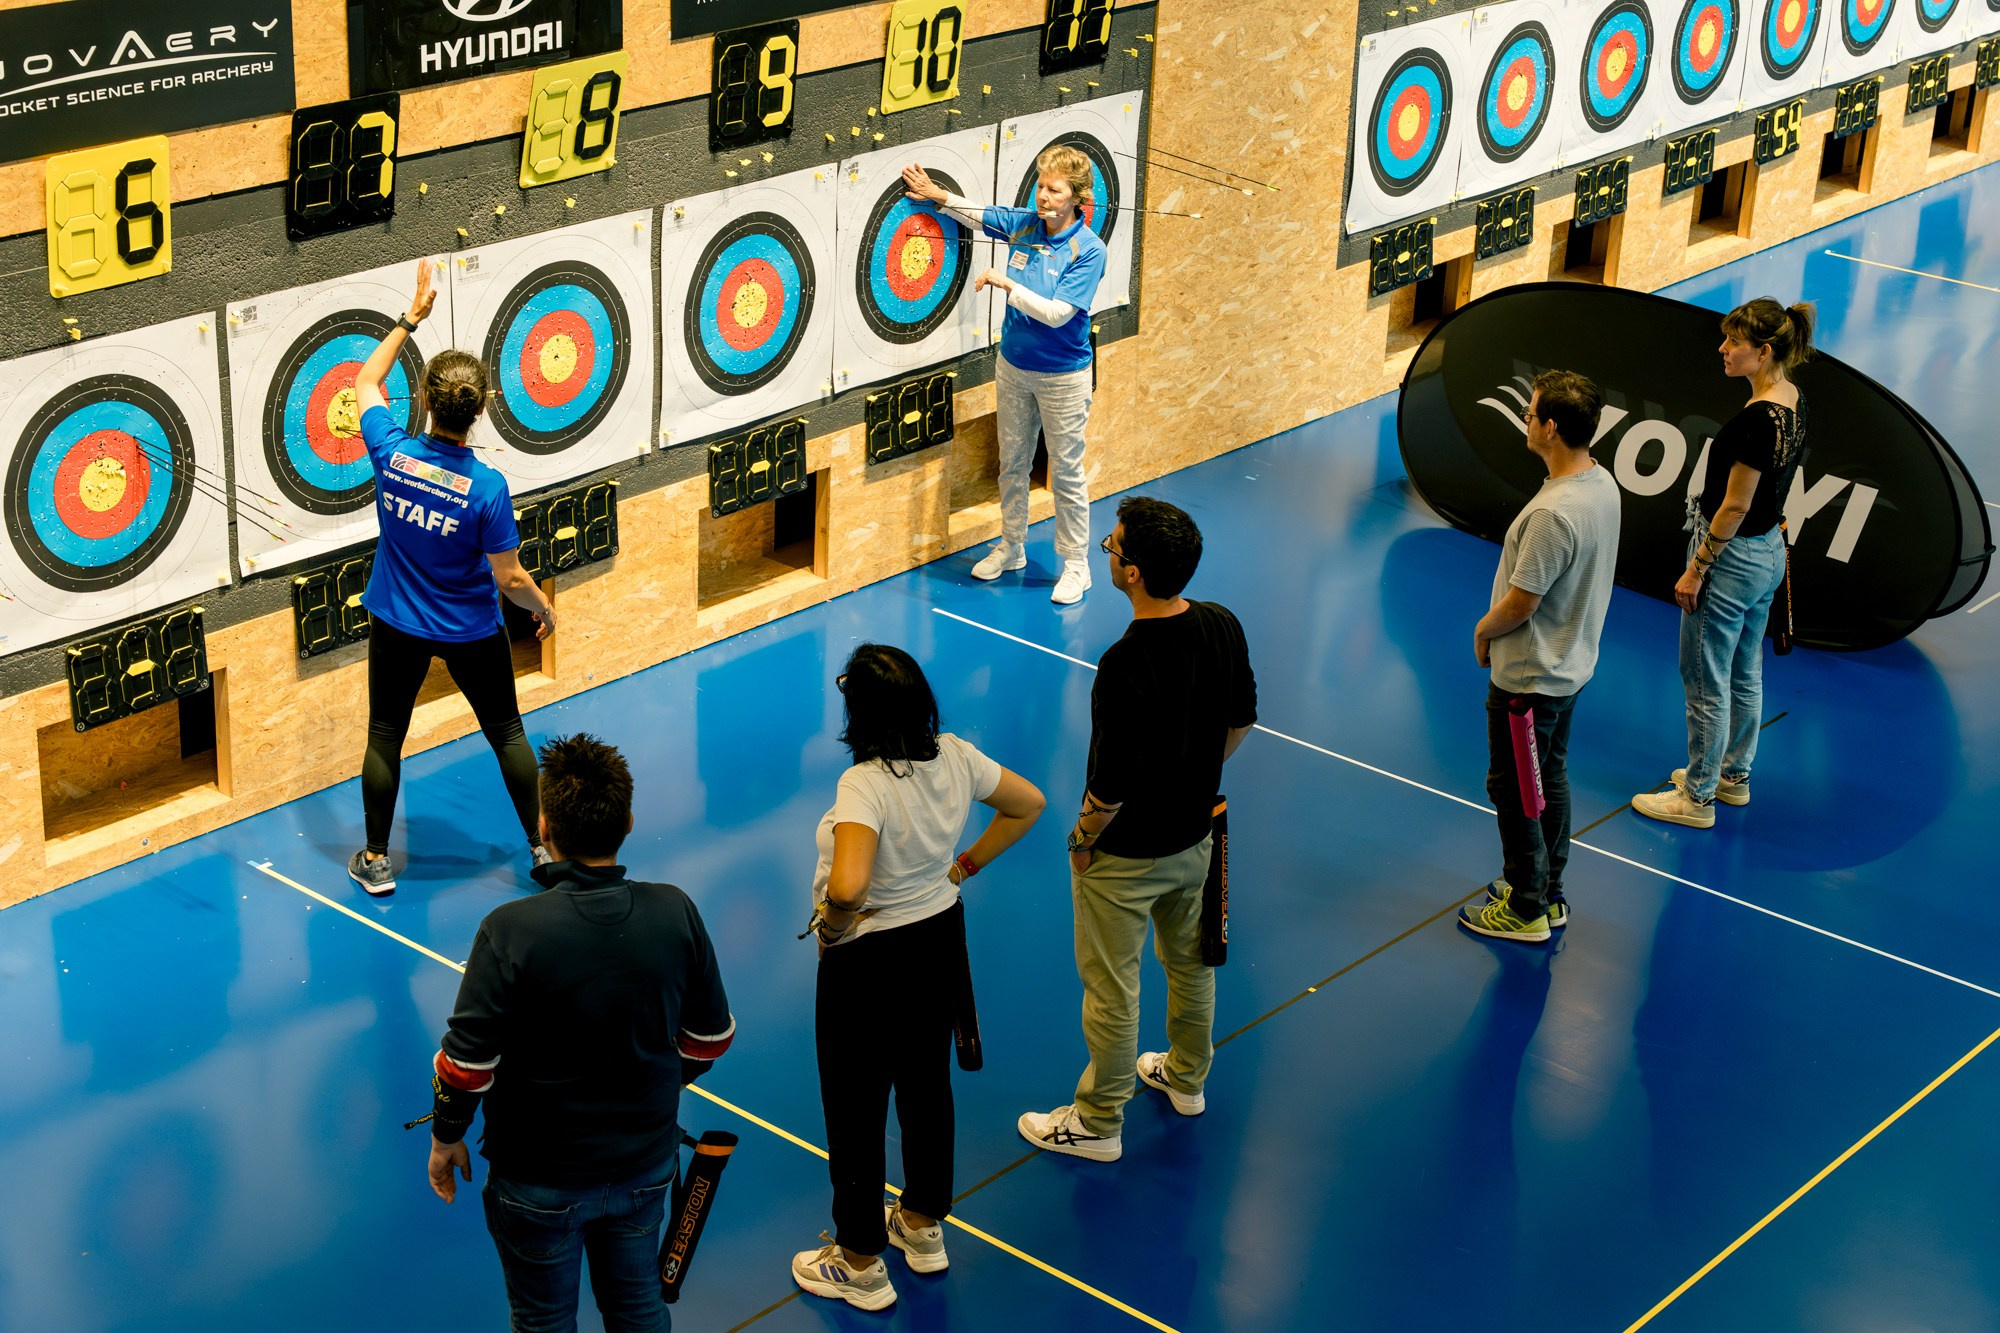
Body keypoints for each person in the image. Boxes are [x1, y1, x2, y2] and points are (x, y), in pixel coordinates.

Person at [422, 733, 734, 1333]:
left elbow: (466, 1066)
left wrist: (446, 1137)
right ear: (629, 822)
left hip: (538, 1178)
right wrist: (658, 1081)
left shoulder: (509, 928)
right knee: (639, 1308)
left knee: (543, 1320)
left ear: (543, 828)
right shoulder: (675, 910)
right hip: (644, 1166)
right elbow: (709, 1040)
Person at [791, 644, 1045, 1310]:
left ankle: (858, 1261)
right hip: (939, 941)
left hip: (870, 959)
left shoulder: (864, 784)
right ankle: (923, 1224)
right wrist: (964, 865)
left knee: (856, 1108)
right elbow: (1028, 803)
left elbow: (849, 886)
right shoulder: (957, 755)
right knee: (927, 1087)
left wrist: (832, 928)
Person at [1018, 497, 1256, 1161]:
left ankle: (1098, 1123)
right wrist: (1194, 776)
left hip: (1124, 857)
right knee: (1192, 965)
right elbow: (1241, 718)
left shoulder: (1125, 663)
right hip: (1196, 837)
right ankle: (1186, 1078)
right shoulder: (1222, 623)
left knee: (1113, 991)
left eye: (1112, 546)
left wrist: (1082, 839)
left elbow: (1110, 784)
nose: (1108, 551)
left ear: (1132, 573)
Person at [348, 259, 557, 895]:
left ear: (425, 402)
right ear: (481, 409)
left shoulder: (391, 450)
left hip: (397, 623)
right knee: (508, 732)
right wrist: (542, 607)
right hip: (470, 630)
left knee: (386, 736)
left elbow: (365, 380)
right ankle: (542, 851)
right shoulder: (487, 487)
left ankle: (376, 860)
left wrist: (410, 319)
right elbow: (509, 577)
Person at [1631, 298, 1811, 829]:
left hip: (1730, 561)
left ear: (1765, 351)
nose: (1723, 349)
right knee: (1744, 672)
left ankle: (1698, 797)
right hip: (1768, 554)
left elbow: (1734, 506)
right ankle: (1733, 776)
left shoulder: (1756, 422)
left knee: (1705, 679)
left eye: (1734, 341)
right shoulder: (1794, 398)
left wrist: (1697, 568)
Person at [1458, 371, 1623, 942]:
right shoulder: (1601, 484)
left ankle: (1526, 907)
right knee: (1547, 778)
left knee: (1516, 791)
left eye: (1529, 414)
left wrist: (1483, 629)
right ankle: (1547, 890)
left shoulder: (1553, 514)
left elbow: (1522, 602)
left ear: (1550, 428)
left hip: (1529, 680)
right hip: (1568, 668)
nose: (1525, 421)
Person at [901, 150, 1108, 605]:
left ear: (1077, 197)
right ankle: (1012, 546)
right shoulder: (1026, 224)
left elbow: (1057, 314)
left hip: (1063, 377)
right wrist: (936, 195)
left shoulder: (1088, 250)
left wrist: (1007, 283)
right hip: (1013, 368)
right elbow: (979, 215)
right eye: (1041, 186)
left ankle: (1077, 564)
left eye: (1055, 190)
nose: (1043, 196)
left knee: (1066, 472)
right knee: (1012, 463)